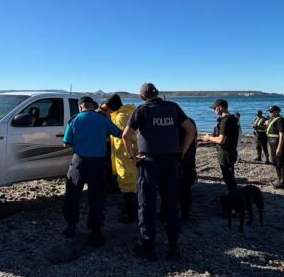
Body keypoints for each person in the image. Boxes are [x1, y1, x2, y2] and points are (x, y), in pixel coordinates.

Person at [122, 83, 196, 261]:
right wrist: (183, 150)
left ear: (141, 97)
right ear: (158, 94)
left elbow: (125, 135)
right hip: (170, 161)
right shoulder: (173, 107)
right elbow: (191, 130)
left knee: (146, 204)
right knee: (170, 202)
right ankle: (173, 246)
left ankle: (148, 247)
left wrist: (132, 157)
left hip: (149, 162)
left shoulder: (141, 110)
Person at [62, 96, 123, 247]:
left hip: (79, 162)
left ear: (80, 106)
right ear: (92, 105)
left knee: (72, 195)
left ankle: (71, 228)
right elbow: (119, 134)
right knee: (96, 198)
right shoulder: (102, 119)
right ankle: (95, 232)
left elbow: (66, 143)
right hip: (98, 164)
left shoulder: (74, 119)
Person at [105, 93, 138, 223]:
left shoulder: (121, 117)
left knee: (128, 185)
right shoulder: (128, 113)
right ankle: (131, 210)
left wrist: (131, 154)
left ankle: (131, 215)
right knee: (130, 184)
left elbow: (129, 137)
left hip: (126, 158)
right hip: (127, 156)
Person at [201, 98, 239, 192]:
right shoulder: (231, 118)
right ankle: (234, 196)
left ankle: (235, 198)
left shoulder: (225, 121)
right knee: (229, 176)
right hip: (230, 151)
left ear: (220, 107)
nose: (214, 110)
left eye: (215, 108)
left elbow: (221, 140)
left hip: (225, 152)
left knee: (228, 177)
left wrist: (208, 138)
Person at [266, 105, 284, 188]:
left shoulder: (280, 120)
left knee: (281, 162)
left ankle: (283, 182)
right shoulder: (273, 119)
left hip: (278, 144)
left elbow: (282, 135)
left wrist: (279, 148)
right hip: (272, 144)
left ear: (277, 111)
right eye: (269, 111)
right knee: (275, 162)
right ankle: (279, 179)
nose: (270, 113)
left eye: (271, 111)